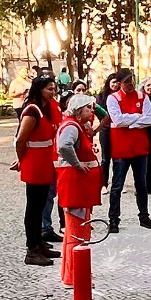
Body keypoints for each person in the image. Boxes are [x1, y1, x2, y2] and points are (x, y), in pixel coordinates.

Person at [55, 93, 103, 284]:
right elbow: (64, 146)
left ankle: (69, 274)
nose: (92, 111)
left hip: (76, 187)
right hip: (76, 187)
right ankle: (76, 277)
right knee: (78, 233)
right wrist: (77, 165)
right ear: (78, 110)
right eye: (88, 108)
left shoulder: (73, 125)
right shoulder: (72, 127)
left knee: (72, 232)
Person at [16, 74, 61, 266]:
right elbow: (20, 139)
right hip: (34, 162)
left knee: (41, 203)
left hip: (44, 160)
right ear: (39, 89)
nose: (53, 92)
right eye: (49, 89)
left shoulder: (47, 108)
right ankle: (32, 248)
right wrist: (21, 159)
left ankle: (39, 242)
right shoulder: (32, 110)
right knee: (33, 208)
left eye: (54, 89)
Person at [105, 69, 151, 233]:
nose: (130, 84)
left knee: (141, 184)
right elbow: (117, 120)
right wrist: (137, 118)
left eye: (132, 80)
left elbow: (148, 120)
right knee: (117, 186)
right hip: (121, 148)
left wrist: (129, 121)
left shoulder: (143, 97)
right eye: (126, 81)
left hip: (140, 147)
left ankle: (144, 215)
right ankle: (114, 219)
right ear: (119, 83)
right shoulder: (113, 98)